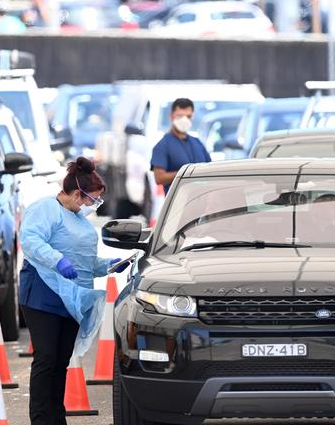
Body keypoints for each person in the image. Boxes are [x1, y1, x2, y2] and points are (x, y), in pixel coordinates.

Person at [19, 157, 128, 425]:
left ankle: (56, 418)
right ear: (78, 193)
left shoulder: (79, 219)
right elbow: (31, 240)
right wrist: (57, 260)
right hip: (43, 292)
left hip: (71, 296)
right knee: (46, 358)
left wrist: (106, 266)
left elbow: (84, 261)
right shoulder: (46, 209)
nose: (94, 205)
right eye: (93, 199)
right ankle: (42, 419)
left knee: (61, 361)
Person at [151, 98, 211, 192]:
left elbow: (210, 168)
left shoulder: (197, 143)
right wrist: (187, 173)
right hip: (180, 203)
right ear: (172, 116)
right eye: (180, 116)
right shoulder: (163, 146)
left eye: (188, 116)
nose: (184, 120)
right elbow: (159, 178)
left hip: (203, 199)